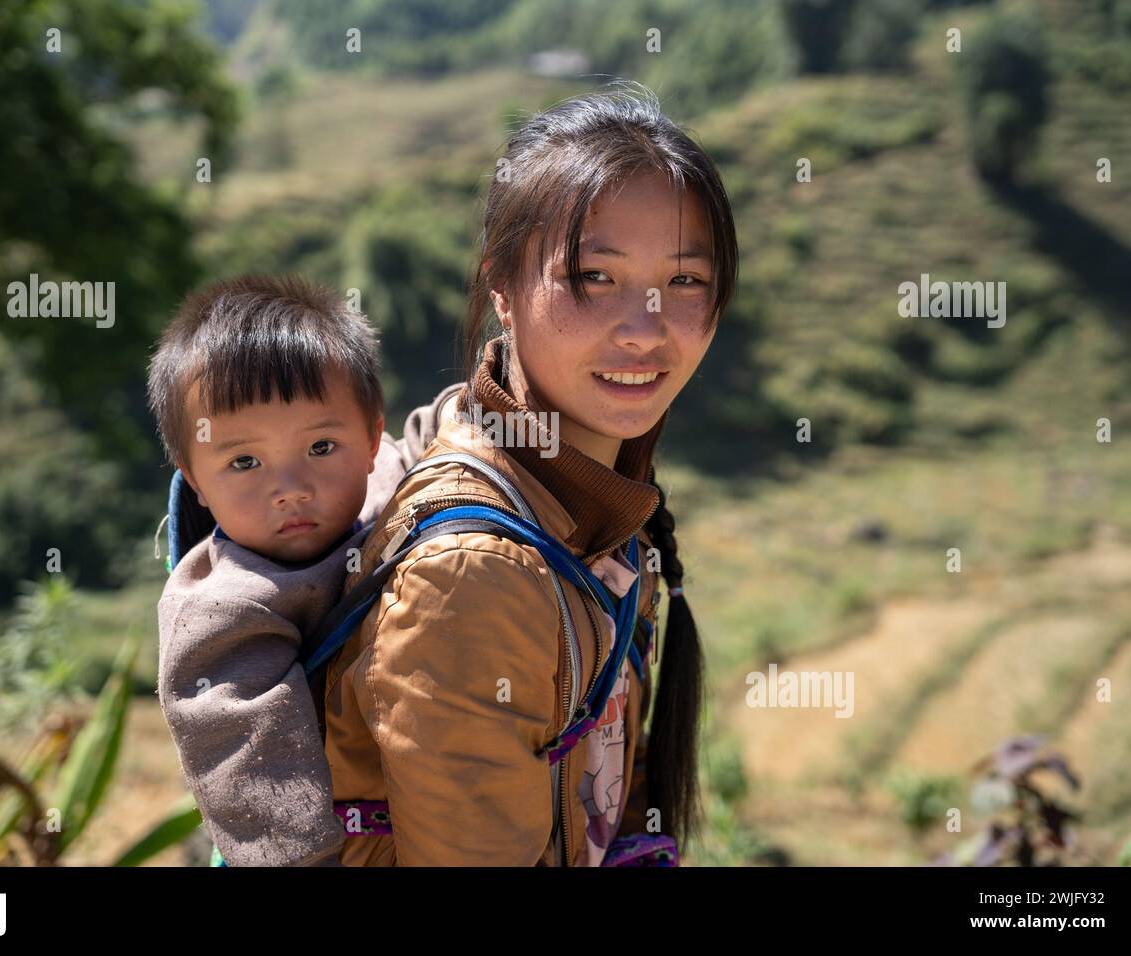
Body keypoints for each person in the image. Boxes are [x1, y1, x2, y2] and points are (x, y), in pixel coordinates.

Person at [323, 83, 739, 866]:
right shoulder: (476, 575)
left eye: (684, 280)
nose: (646, 330)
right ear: (502, 291)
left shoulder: (594, 506)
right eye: (594, 278)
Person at [146, 273, 461, 865]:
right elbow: (251, 771)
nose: (289, 489)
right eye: (244, 461)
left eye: (320, 448)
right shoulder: (224, 608)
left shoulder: (387, 480)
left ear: (371, 438)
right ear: (195, 482)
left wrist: (492, 402)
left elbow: (442, 434)